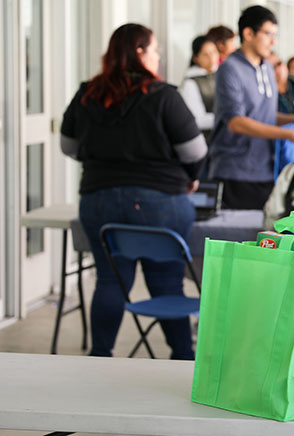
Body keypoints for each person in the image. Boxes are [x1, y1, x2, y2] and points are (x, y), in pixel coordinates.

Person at [60, 23, 207, 359]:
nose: (158, 56)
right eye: (155, 49)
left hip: (99, 200)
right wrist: (191, 177)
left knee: (110, 281)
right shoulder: (164, 95)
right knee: (167, 283)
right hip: (162, 203)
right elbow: (195, 152)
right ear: (140, 52)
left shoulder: (88, 93)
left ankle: (100, 355)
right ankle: (182, 358)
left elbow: (68, 146)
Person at [209, 6, 294, 210]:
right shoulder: (230, 69)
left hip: (267, 169)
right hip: (236, 171)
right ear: (248, 33)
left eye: (275, 35)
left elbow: (266, 116)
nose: (273, 42)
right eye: (268, 34)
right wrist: (288, 135)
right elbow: (236, 122)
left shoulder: (268, 68)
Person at [179, 35, 219, 142]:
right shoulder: (190, 82)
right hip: (205, 141)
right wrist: (228, 118)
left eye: (214, 52)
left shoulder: (221, 74)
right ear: (196, 58)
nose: (211, 58)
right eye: (206, 54)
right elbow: (197, 120)